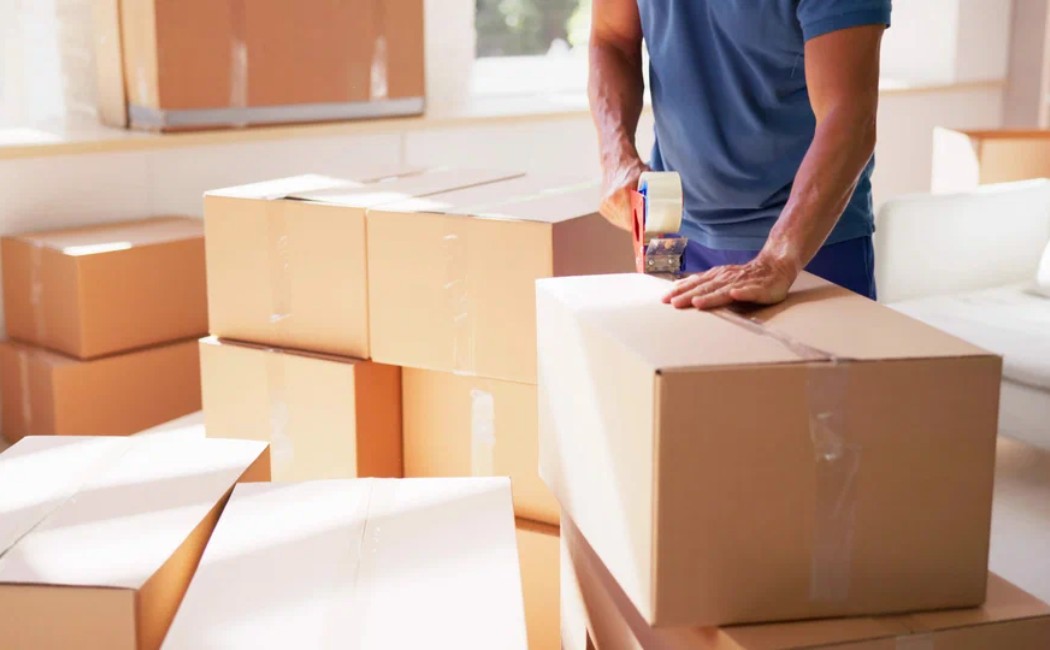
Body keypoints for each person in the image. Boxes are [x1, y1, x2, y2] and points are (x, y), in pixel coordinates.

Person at [590, 0, 890, 309]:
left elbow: (849, 119)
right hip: (675, 235)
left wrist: (779, 260)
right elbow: (612, 38)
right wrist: (615, 157)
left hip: (809, 245)